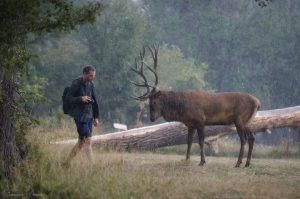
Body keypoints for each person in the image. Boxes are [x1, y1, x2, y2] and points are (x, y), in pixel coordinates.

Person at [64, 65, 100, 166]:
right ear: (84, 74)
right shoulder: (76, 83)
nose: (92, 78)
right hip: (79, 117)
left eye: (93, 76)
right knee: (88, 140)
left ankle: (66, 163)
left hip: (89, 116)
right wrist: (80, 98)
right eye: (90, 75)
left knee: (81, 142)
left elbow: (95, 101)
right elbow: (68, 98)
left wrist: (96, 117)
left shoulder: (91, 84)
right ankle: (93, 167)